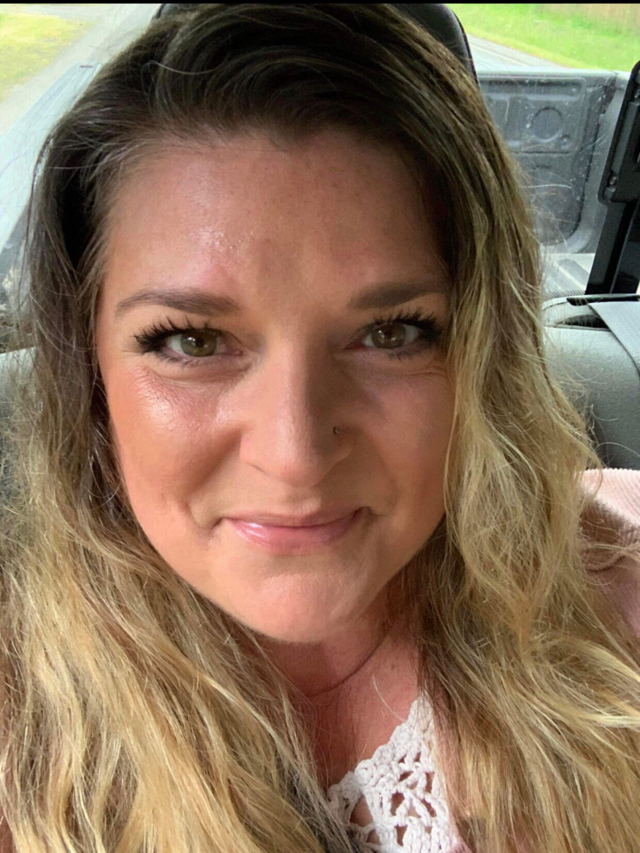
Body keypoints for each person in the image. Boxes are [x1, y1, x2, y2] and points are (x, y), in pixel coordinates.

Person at [0, 5, 639, 853]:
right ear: (89, 374)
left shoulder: (616, 604)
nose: (295, 453)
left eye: (392, 332)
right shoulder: (24, 716)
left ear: (484, 356)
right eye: (192, 342)